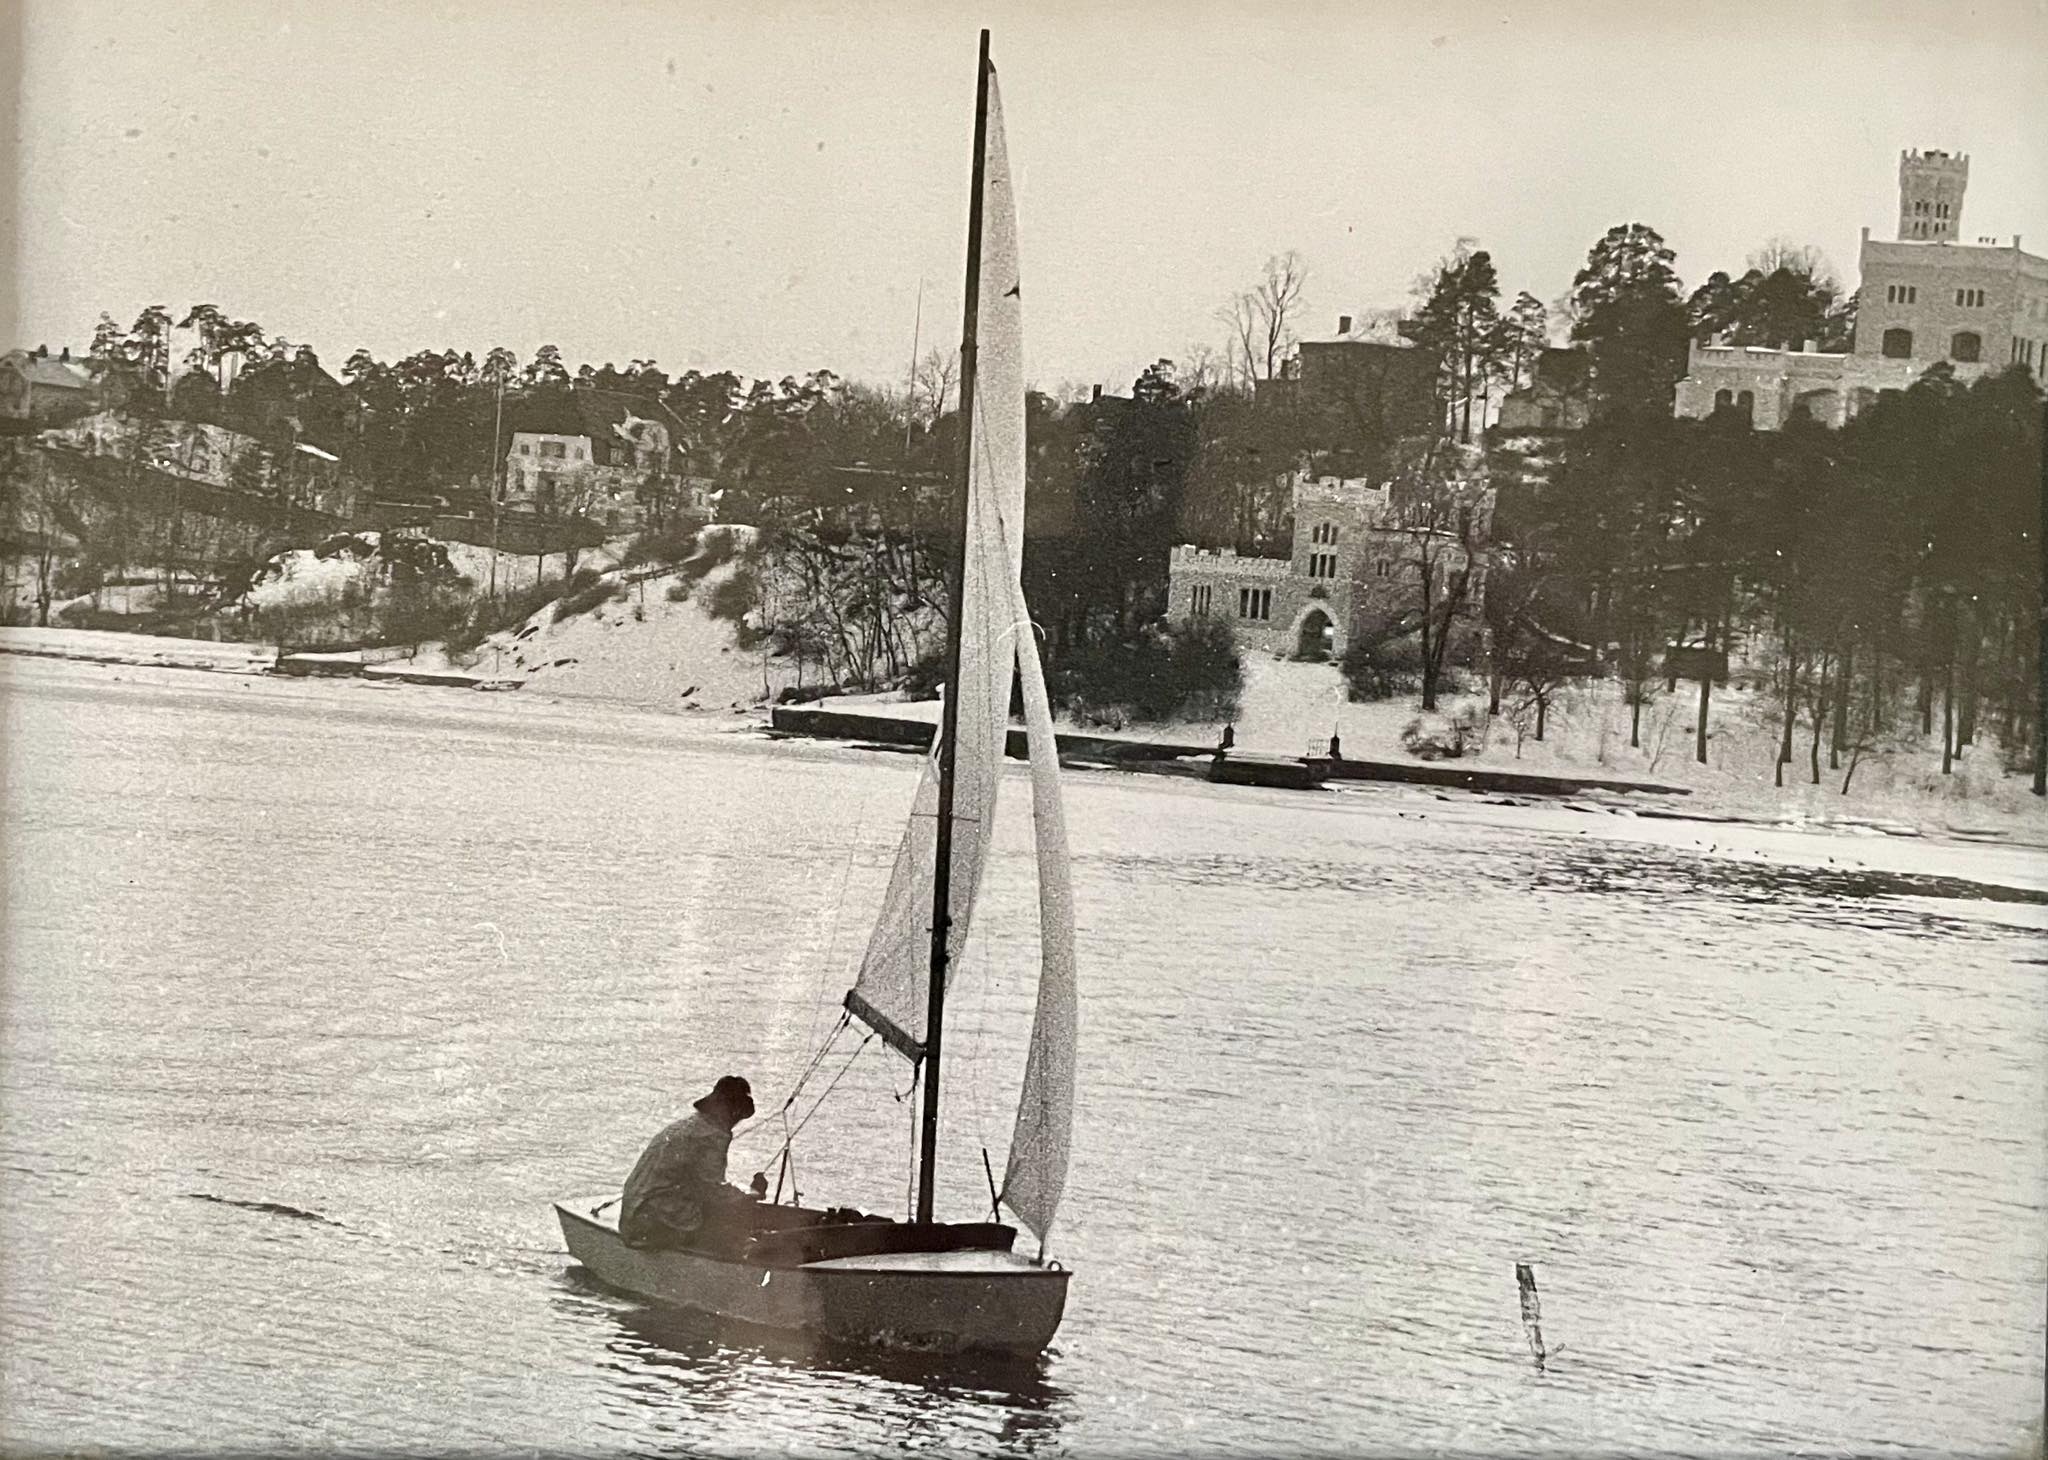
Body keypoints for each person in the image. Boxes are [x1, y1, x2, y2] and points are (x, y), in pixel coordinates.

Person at [618, 1075, 760, 1254]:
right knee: (733, 1228)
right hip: (652, 1222)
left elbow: (701, 1183)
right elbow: (712, 1190)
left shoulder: (686, 1125)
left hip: (634, 1213)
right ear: (732, 1110)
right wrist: (749, 1194)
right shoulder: (713, 1136)